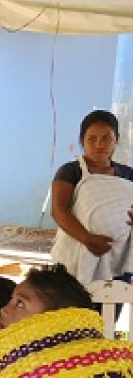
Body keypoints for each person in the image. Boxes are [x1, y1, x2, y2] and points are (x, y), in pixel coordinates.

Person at [50, 109, 133, 286]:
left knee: (109, 310)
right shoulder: (71, 171)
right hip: (77, 255)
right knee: (74, 308)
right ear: (82, 141)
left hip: (118, 260)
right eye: (92, 138)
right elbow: (59, 211)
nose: (99, 144)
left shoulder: (128, 174)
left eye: (106, 138)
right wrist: (88, 239)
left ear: (116, 139)